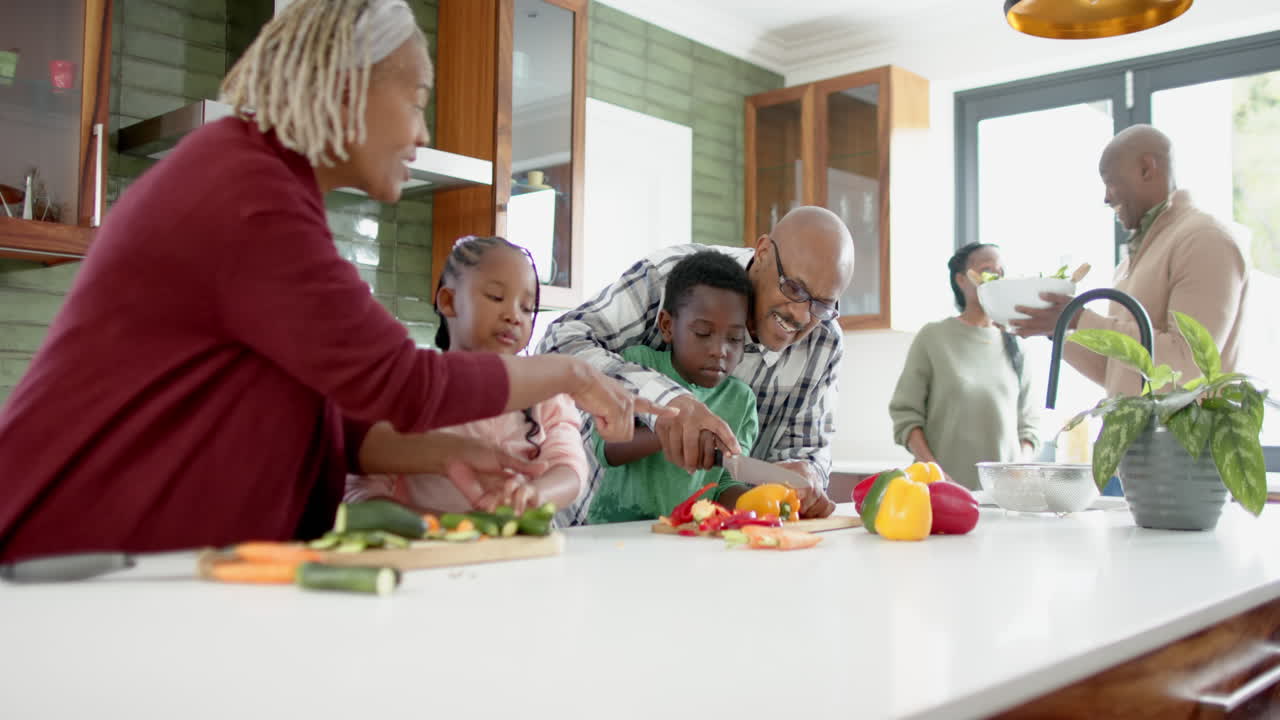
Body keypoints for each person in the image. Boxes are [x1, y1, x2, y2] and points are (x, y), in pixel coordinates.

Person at [0, 0, 662, 564]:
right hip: (71, 553)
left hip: (123, 561)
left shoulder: (257, 179)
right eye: (417, 99)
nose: (422, 130)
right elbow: (402, 384)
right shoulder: (245, 190)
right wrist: (568, 375)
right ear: (350, 85)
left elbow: (326, 420)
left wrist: (441, 454)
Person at [539, 206, 855, 525]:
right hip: (584, 528)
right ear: (762, 252)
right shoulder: (675, 278)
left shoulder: (823, 342)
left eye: (823, 304)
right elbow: (559, 344)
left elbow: (807, 452)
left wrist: (806, 476)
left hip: (701, 548)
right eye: (794, 289)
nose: (801, 316)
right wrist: (666, 402)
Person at [346, 236, 589, 515]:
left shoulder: (547, 394)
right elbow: (362, 488)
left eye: (526, 307)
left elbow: (570, 469)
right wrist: (430, 524)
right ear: (449, 301)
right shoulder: (409, 389)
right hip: (430, 552)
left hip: (523, 554)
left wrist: (536, 493)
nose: (514, 316)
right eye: (496, 297)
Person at [1011, 124, 1249, 397]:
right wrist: (1057, 329)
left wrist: (1081, 319)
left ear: (1147, 168)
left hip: (1184, 439)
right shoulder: (1130, 263)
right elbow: (1115, 372)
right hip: (1141, 438)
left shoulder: (1204, 239)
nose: (1105, 197)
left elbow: (1186, 362)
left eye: (1110, 181)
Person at [586, 252, 757, 523]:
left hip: (686, 540)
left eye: (735, 338)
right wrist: (672, 429)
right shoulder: (639, 365)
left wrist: (760, 502)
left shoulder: (741, 400)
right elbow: (606, 450)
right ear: (667, 326)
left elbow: (724, 483)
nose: (719, 351)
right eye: (702, 333)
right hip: (614, 532)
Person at [888, 243, 1039, 490]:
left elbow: (1029, 426)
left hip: (1004, 496)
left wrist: (1018, 471)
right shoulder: (933, 337)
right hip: (941, 492)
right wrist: (935, 473)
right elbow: (906, 416)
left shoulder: (1017, 344)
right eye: (986, 269)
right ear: (961, 280)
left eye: (1001, 271)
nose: (996, 277)